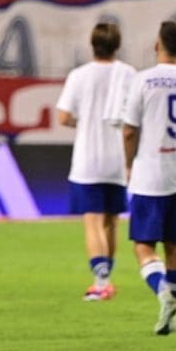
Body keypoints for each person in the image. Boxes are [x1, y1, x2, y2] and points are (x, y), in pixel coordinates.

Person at [122, 20, 176, 335]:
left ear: (155, 45)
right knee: (174, 246)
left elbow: (130, 129)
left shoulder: (143, 80)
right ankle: (171, 316)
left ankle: (163, 293)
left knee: (144, 246)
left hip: (150, 172)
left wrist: (128, 163)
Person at [56, 22, 137, 300]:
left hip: (87, 159)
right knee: (112, 222)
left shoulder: (79, 76)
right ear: (117, 45)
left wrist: (85, 122)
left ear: (92, 45)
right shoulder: (129, 74)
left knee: (92, 221)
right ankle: (106, 279)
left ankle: (100, 281)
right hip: (117, 159)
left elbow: (63, 117)